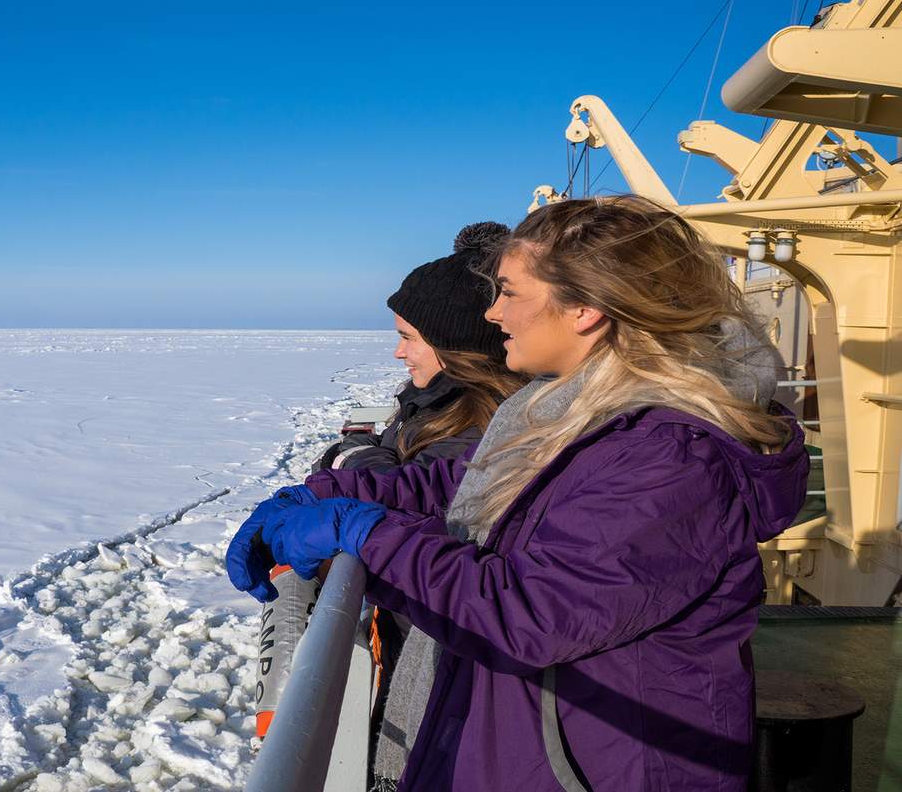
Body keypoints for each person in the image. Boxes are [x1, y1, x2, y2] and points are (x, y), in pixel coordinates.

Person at [228, 195, 809, 792]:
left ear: (584, 308)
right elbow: (467, 484)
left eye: (508, 292)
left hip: (599, 768)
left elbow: (530, 613)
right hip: (531, 747)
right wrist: (323, 493)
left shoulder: (670, 456)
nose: (494, 313)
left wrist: (361, 533)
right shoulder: (579, 414)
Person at [317, 222, 524, 472]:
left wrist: (348, 458)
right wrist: (359, 448)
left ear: (454, 340)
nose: (399, 352)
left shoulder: (473, 434)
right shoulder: (437, 402)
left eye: (408, 337)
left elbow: (397, 493)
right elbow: (396, 448)